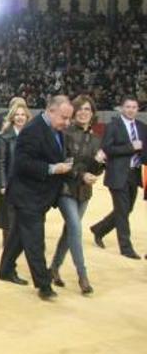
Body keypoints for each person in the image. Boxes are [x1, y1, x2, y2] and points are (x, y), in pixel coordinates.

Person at [0, 96, 74, 300]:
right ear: (50, 110)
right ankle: (44, 285)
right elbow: (22, 163)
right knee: (35, 240)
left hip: (40, 196)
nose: (67, 122)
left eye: (69, 119)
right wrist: (52, 169)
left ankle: (5, 270)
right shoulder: (32, 130)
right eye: (64, 117)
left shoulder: (57, 131)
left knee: (19, 236)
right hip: (27, 195)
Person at [48, 95, 104, 294]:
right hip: (65, 189)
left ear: (92, 113)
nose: (83, 112)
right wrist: (82, 175)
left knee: (70, 231)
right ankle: (83, 276)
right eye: (79, 109)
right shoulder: (65, 133)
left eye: (87, 109)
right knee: (75, 228)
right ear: (73, 112)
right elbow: (63, 163)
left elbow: (96, 169)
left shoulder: (97, 139)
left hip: (84, 192)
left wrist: (100, 165)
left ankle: (53, 268)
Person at [89, 96, 146, 259]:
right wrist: (130, 147)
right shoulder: (113, 126)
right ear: (121, 108)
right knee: (122, 211)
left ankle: (99, 229)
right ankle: (126, 248)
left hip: (135, 174)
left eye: (134, 107)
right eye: (128, 107)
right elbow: (107, 148)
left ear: (138, 109)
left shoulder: (142, 127)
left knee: (127, 209)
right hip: (117, 174)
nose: (131, 110)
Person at [0, 102, 32, 256]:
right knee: (9, 219)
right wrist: (3, 184)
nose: (20, 117)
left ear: (27, 117)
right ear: (12, 117)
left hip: (27, 184)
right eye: (17, 115)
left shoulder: (32, 136)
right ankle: (8, 249)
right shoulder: (5, 137)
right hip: (10, 183)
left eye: (23, 115)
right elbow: (1, 162)